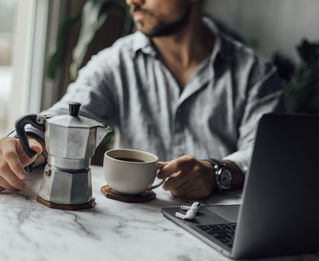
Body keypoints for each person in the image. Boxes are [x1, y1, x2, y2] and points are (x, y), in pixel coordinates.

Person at [0, 0, 282, 199]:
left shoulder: (254, 73)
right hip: (135, 225)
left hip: (219, 228)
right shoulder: (115, 63)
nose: (133, 1)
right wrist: (14, 144)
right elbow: (66, 112)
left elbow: (264, 155)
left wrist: (216, 172)